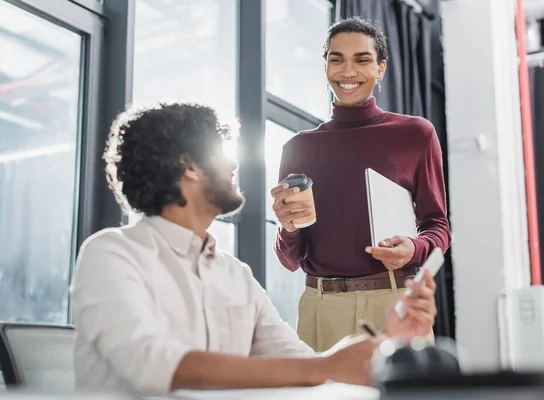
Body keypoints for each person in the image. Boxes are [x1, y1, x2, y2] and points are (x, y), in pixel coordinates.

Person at [71, 102, 439, 396]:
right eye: (220, 152)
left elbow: (304, 365)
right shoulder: (111, 255)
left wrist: (391, 340)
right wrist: (323, 367)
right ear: (189, 166)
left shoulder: (235, 276)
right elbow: (152, 366)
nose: (233, 164)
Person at [271, 17, 451, 352]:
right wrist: (287, 226)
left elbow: (438, 226)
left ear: (381, 68)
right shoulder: (298, 147)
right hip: (320, 305)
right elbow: (289, 258)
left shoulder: (415, 134)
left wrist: (415, 249)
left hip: (394, 298)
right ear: (325, 66)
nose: (347, 71)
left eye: (362, 60)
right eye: (336, 59)